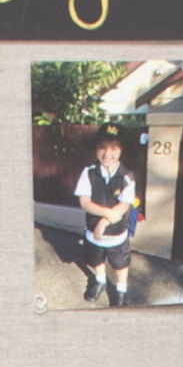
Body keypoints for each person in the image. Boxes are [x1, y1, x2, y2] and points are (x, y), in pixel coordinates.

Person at [72, 128, 141, 306]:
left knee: (120, 264)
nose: (107, 153)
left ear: (121, 150)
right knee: (96, 259)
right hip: (93, 233)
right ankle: (100, 280)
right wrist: (105, 213)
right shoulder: (89, 173)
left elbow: (124, 205)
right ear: (96, 148)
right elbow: (85, 202)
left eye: (114, 148)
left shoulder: (126, 178)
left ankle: (121, 291)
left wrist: (104, 222)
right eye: (102, 147)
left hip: (116, 234)